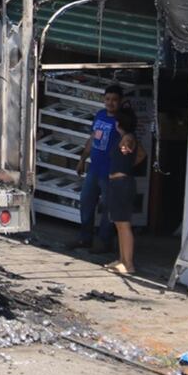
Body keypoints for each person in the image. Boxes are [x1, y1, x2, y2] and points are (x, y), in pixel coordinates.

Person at [73, 84, 122, 253]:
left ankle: (105, 241)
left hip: (111, 171)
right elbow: (93, 138)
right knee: (86, 201)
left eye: (114, 100)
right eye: (107, 99)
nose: (110, 103)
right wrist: (82, 159)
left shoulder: (122, 120)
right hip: (94, 168)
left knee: (108, 207)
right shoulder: (100, 115)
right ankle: (85, 238)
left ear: (120, 101)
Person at [105, 106, 147, 275]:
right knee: (119, 223)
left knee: (124, 224)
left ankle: (128, 264)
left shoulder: (128, 137)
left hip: (122, 183)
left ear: (119, 122)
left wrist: (126, 150)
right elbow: (141, 154)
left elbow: (130, 147)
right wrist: (129, 162)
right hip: (118, 183)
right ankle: (122, 260)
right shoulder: (126, 137)